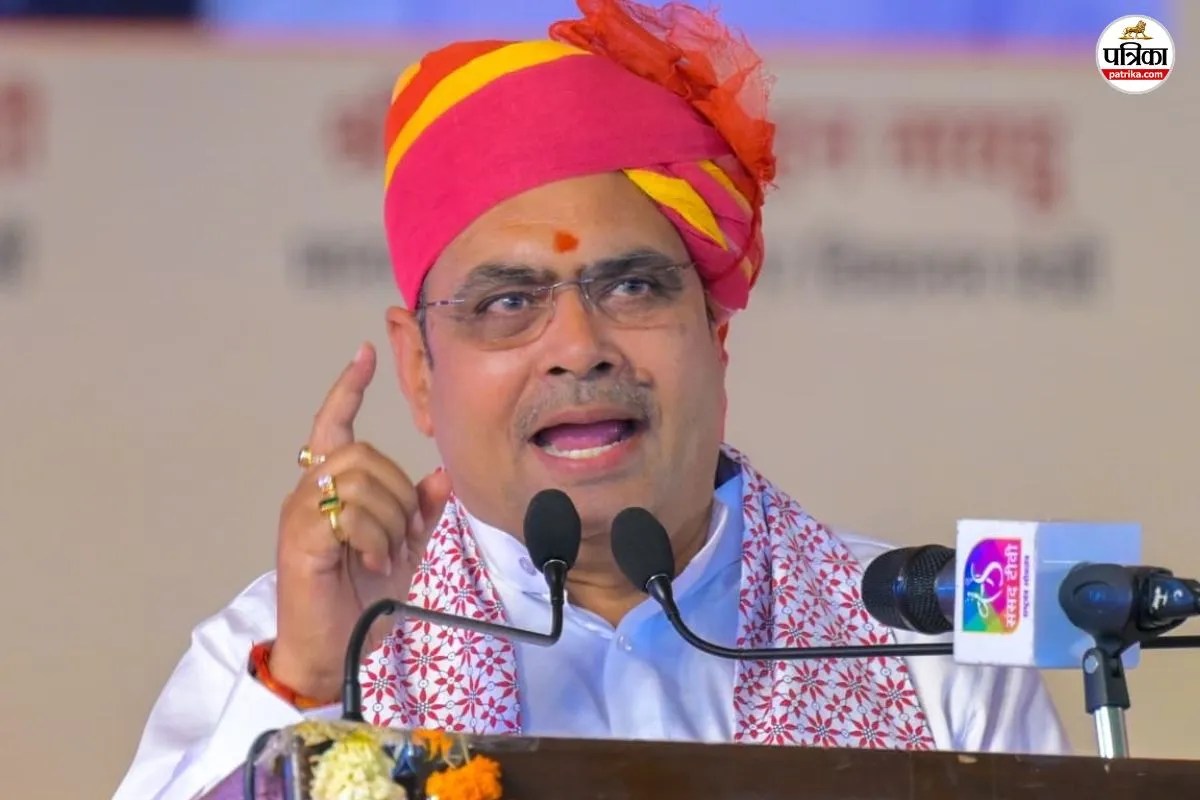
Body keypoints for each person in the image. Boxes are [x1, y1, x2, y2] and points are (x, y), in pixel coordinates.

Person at [114, 1, 1070, 797]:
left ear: (716, 339)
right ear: (420, 371)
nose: (579, 347)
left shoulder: (925, 649)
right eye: (508, 303)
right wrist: (316, 683)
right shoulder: (280, 650)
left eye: (634, 288)